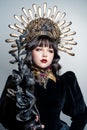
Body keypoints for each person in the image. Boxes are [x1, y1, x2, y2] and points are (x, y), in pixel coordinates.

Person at [0, 2, 87, 130]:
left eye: (50, 51)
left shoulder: (65, 81)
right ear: (30, 51)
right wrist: (25, 125)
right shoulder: (16, 81)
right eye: (39, 49)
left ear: (54, 54)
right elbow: (4, 119)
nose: (45, 54)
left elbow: (81, 115)